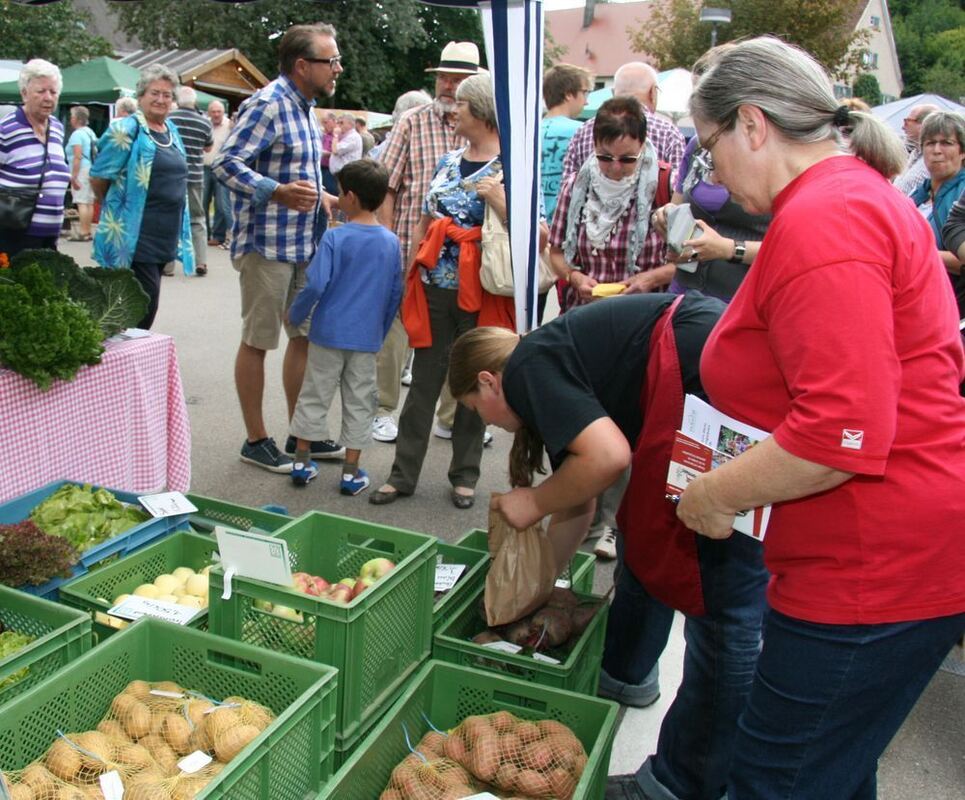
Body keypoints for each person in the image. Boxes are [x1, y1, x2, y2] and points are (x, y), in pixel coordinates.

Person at [678, 36, 964, 799]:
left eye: (709, 149)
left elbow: (841, 435)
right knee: (828, 771)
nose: (712, 174)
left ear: (750, 125)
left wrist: (716, 493)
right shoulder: (843, 201)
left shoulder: (825, 220)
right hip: (873, 549)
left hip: (870, 565)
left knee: (779, 777)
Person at [447, 290, 768, 800]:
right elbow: (584, 503)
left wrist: (532, 502)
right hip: (700, 370)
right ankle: (625, 673)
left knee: (721, 600)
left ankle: (686, 782)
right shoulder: (548, 367)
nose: (488, 423)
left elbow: (608, 458)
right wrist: (536, 588)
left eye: (476, 410)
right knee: (650, 539)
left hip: (710, 377)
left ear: (488, 381)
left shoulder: (529, 367)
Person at [370, 73, 511, 510]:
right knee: (424, 384)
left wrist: (500, 200)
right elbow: (426, 219)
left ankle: (465, 476)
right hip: (434, 286)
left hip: (481, 290)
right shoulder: (448, 161)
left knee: (476, 384)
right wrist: (412, 263)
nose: (454, 111)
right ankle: (402, 474)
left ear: (483, 112)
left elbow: (532, 233)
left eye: (463, 105)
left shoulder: (510, 167)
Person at [213, 23, 343, 473]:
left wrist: (322, 198)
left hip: (304, 243)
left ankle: (301, 433)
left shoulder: (305, 106)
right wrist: (276, 191)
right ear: (302, 65)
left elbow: (297, 170)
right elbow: (225, 164)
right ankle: (255, 439)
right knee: (258, 341)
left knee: (304, 337)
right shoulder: (267, 104)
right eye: (331, 61)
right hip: (266, 245)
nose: (337, 69)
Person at [371, 41, 477, 446]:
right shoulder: (413, 121)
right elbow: (386, 186)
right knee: (396, 332)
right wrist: (386, 240)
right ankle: (382, 411)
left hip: (464, 257)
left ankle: (450, 418)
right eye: (444, 77)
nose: (448, 85)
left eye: (458, 78)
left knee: (459, 336)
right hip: (407, 245)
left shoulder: (486, 126)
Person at [287, 159, 402, 494]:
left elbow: (316, 284)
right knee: (360, 401)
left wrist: (296, 313)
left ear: (349, 197)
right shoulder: (390, 242)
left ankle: (301, 462)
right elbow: (395, 293)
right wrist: (379, 332)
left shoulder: (335, 237)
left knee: (314, 395)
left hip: (326, 333)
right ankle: (351, 473)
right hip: (366, 337)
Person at [652, 46, 770, 302]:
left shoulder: (769, 158)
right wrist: (665, 218)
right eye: (693, 93)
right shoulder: (697, 145)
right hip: (687, 291)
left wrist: (729, 249)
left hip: (739, 299)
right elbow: (677, 205)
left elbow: (794, 251)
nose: (696, 104)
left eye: (703, 95)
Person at [90, 64, 194, 329]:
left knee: (143, 305)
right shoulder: (125, 129)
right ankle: (122, 365)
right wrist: (117, 207)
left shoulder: (171, 130)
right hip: (135, 235)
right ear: (141, 96)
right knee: (141, 308)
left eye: (167, 95)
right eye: (154, 93)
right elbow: (99, 175)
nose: (161, 100)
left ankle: (129, 363)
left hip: (164, 235)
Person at [562, 61, 685, 180]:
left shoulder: (583, 131)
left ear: (613, 92)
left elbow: (567, 187)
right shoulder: (669, 134)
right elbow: (678, 188)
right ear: (653, 92)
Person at [0, 59, 70, 257]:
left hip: (50, 236)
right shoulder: (6, 129)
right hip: (13, 235)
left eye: (53, 92)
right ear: (24, 93)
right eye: (41, 91)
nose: (48, 98)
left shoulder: (56, 127)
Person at [909, 111, 965, 318]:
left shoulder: (962, 196)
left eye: (947, 143)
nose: (937, 151)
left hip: (951, 307)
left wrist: (916, 255)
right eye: (930, 143)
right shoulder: (916, 194)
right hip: (915, 303)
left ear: (962, 151)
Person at [168, 86, 214, 276]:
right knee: (198, 219)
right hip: (195, 175)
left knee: (170, 218)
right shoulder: (204, 122)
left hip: (172, 176)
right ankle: (201, 261)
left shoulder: (169, 119)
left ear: (178, 100)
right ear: (194, 102)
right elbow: (208, 148)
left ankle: (167, 264)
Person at [541, 63, 592, 220]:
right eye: (585, 93)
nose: (586, 102)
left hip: (531, 227)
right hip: (563, 227)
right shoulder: (584, 131)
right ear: (569, 94)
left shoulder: (528, 133)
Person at [893, 103, 941, 196]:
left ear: (924, 124)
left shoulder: (935, 160)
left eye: (907, 122)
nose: (903, 127)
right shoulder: (914, 153)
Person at [203, 99, 232, 249]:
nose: (216, 114)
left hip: (221, 169)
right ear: (209, 113)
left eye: (218, 111)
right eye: (213, 112)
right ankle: (204, 235)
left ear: (223, 112)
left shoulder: (229, 126)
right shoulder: (205, 124)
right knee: (203, 202)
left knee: (221, 204)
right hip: (205, 167)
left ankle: (218, 236)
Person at [66, 105, 98, 242]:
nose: (70, 119)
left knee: (81, 202)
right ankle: (87, 230)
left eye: (71, 116)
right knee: (89, 201)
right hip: (91, 168)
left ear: (76, 119)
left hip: (81, 170)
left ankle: (83, 232)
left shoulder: (77, 135)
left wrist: (73, 176)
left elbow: (77, 156)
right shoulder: (90, 132)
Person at [329, 112, 363, 178]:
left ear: (350, 124)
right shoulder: (345, 136)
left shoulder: (353, 137)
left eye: (341, 123)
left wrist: (335, 135)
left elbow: (335, 150)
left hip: (346, 174)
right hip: (341, 174)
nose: (338, 125)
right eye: (338, 123)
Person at [319, 112, 338, 195]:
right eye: (322, 122)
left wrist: (327, 153)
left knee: (330, 191)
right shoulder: (323, 134)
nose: (324, 125)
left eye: (326, 122)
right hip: (321, 166)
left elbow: (338, 151)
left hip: (331, 169)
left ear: (334, 121)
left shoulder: (338, 135)